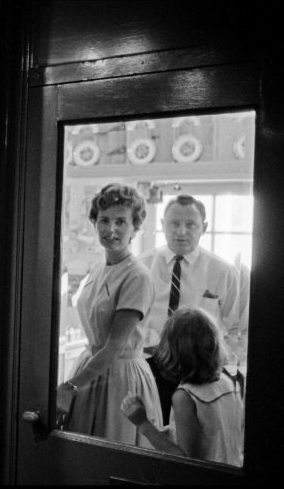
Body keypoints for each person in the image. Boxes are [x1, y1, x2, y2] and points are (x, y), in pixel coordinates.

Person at [56, 183, 161, 447]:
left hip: (120, 378)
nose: (110, 229)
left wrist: (69, 387)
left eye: (121, 222)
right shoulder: (98, 269)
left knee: (111, 453)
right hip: (91, 370)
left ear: (135, 228)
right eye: (104, 220)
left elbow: (115, 346)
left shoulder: (136, 275)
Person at [138, 195, 245, 425]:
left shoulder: (223, 271)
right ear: (162, 225)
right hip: (151, 364)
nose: (181, 231)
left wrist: (231, 374)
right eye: (174, 223)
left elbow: (237, 328)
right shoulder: (142, 266)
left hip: (201, 370)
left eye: (191, 224)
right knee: (154, 430)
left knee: (195, 437)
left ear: (204, 228)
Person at [121, 307, 244, 466]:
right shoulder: (226, 382)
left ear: (171, 349)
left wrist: (143, 424)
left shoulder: (185, 397)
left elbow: (184, 460)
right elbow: (211, 435)